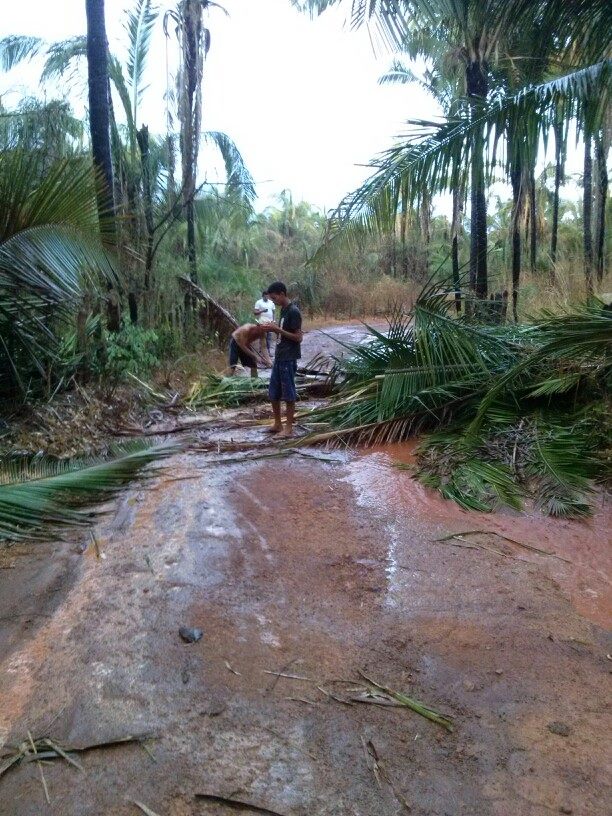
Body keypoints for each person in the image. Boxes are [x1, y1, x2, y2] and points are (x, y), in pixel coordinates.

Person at [265, 281, 303, 438]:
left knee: (288, 393)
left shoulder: (293, 312)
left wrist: (277, 329)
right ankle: (277, 423)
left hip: (288, 357)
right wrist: (273, 328)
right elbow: (282, 333)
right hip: (280, 356)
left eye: (274, 298)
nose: (273, 302)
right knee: (273, 392)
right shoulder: (284, 310)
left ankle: (288, 429)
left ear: (282, 294)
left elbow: (298, 338)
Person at [253, 290, 275, 366]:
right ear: (262, 296)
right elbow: (255, 312)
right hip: (262, 322)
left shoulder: (271, 302)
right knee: (263, 338)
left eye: (267, 296)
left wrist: (273, 320)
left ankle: (268, 353)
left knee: (269, 337)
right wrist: (262, 311)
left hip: (270, 322)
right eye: (265, 296)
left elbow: (273, 312)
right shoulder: (259, 302)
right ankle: (261, 353)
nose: (266, 297)